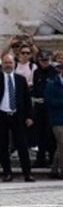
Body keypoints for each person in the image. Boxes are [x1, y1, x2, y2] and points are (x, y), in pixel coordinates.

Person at [0, 53, 35, 182]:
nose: (8, 65)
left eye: (10, 63)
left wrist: (30, 116)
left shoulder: (21, 79)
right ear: (2, 64)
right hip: (2, 116)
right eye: (6, 63)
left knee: (22, 145)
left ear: (14, 64)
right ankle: (7, 173)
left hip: (18, 116)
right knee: (3, 146)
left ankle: (27, 174)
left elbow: (27, 100)